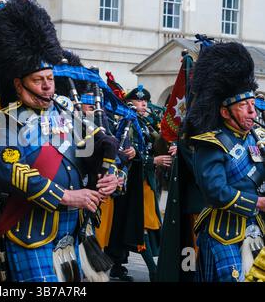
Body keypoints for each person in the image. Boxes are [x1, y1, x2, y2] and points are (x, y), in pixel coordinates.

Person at [0, 0, 121, 282]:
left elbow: (98, 147)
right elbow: (11, 173)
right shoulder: (1, 121)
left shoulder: (67, 114)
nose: (47, 86)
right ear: (19, 84)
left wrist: (110, 173)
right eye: (39, 79)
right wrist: (66, 196)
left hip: (71, 233)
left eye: (50, 78)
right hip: (30, 231)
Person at [184, 42, 265, 282]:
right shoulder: (210, 143)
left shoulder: (256, 137)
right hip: (222, 232)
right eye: (243, 105)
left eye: (253, 105)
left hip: (255, 229)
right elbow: (215, 191)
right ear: (224, 112)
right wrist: (258, 203)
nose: (252, 112)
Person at [106, 85, 170, 282]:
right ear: (128, 103)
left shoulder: (144, 123)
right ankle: (153, 270)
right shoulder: (126, 122)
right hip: (132, 182)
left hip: (145, 180)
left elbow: (152, 146)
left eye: (145, 101)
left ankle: (117, 266)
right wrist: (153, 161)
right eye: (139, 101)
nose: (144, 104)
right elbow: (124, 152)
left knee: (132, 224)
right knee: (140, 225)